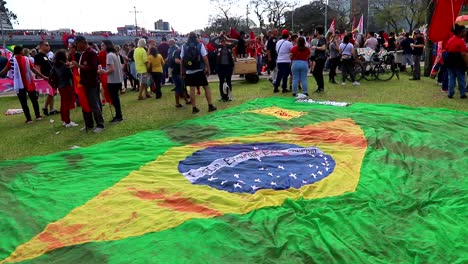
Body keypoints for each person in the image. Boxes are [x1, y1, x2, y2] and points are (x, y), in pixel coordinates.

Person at [0, 45, 47, 123]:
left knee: (23, 102)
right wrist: (43, 76)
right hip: (29, 83)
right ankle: (38, 116)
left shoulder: (11, 60)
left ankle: (29, 119)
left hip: (19, 85)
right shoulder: (26, 59)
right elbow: (33, 70)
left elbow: (4, 72)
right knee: (34, 100)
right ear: (21, 51)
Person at [69, 35, 105, 133]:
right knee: (85, 103)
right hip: (84, 83)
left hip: (91, 83)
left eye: (77, 43)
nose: (76, 45)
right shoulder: (83, 53)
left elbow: (93, 68)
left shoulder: (91, 53)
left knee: (94, 104)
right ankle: (89, 124)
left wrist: (79, 66)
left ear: (83, 42)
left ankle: (100, 124)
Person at [181, 32, 217, 114]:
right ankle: (210, 105)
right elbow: (205, 58)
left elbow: (182, 60)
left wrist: (182, 71)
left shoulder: (184, 46)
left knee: (192, 89)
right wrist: (208, 69)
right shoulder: (200, 45)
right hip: (199, 70)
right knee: (206, 87)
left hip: (189, 71)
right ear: (196, 37)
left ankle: (194, 108)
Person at [50, 49, 78, 127]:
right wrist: (70, 68)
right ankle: (67, 121)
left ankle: (64, 120)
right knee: (66, 104)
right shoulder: (64, 65)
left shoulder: (55, 65)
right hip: (66, 86)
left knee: (63, 103)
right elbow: (70, 75)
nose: (67, 55)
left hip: (60, 86)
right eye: (65, 54)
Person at [98, 40, 124, 122]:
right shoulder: (115, 54)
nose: (101, 47)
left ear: (107, 46)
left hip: (113, 80)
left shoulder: (109, 55)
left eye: (103, 45)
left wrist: (104, 72)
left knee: (115, 99)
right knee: (116, 98)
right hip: (117, 79)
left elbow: (112, 69)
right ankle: (118, 115)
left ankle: (118, 116)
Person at [34, 41, 59, 116]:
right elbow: (37, 68)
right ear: (41, 46)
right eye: (46, 45)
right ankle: (45, 107)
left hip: (50, 77)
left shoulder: (45, 55)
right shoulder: (38, 56)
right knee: (51, 92)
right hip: (45, 78)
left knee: (52, 93)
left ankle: (51, 109)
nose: (49, 47)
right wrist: (40, 78)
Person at [211, 33, 238, 101]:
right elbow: (211, 41)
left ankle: (229, 95)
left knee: (228, 81)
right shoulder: (218, 46)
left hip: (228, 66)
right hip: (220, 67)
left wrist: (228, 38)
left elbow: (236, 41)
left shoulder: (229, 46)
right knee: (221, 81)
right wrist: (218, 36)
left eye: (224, 41)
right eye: (222, 41)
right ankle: (221, 95)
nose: (223, 42)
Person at [445, 24, 467, 99]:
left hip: (450, 61)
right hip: (458, 62)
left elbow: (446, 49)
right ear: (460, 33)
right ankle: (462, 93)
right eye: (463, 32)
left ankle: (450, 93)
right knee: (461, 78)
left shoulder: (450, 39)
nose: (465, 33)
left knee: (451, 77)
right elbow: (463, 54)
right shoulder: (461, 42)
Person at [274, 29, 293, 93]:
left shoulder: (278, 42)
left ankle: (276, 87)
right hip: (286, 61)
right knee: (285, 75)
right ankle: (284, 88)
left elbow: (277, 51)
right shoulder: (289, 43)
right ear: (288, 35)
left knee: (279, 74)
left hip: (279, 60)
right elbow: (292, 51)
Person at [311, 25, 327, 93]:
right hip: (318, 57)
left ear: (317, 31)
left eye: (315, 30)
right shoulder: (319, 38)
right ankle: (320, 86)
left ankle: (321, 87)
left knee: (317, 72)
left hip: (321, 58)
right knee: (315, 72)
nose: (314, 32)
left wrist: (316, 47)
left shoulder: (322, 38)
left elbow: (324, 48)